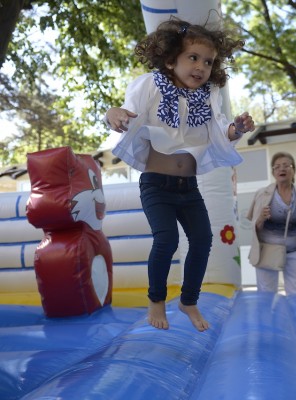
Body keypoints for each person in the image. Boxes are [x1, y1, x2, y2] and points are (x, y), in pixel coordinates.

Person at [105, 19, 255, 331]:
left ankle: (189, 301)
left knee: (203, 239)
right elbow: (123, 112)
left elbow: (219, 130)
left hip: (188, 187)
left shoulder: (207, 96)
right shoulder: (151, 86)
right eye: (193, 57)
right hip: (156, 185)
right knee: (167, 239)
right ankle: (156, 299)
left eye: (208, 62)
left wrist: (236, 129)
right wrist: (113, 114)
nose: (201, 66)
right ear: (172, 59)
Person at [247, 151, 296, 294]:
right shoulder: (262, 195)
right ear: (273, 172)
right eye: (277, 167)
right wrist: (261, 218)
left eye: (286, 166)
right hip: (267, 251)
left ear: (294, 170)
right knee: (266, 295)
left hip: (295, 252)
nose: (281, 169)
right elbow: (255, 228)